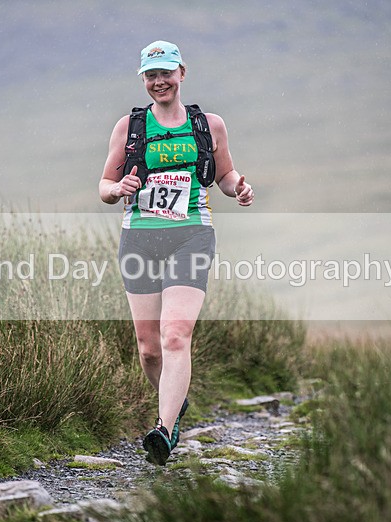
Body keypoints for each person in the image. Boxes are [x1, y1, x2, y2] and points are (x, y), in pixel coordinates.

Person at [98, 40, 254, 466]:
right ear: (144, 80)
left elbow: (224, 175)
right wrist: (119, 189)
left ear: (182, 73)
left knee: (175, 334)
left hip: (191, 234)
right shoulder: (129, 128)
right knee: (149, 348)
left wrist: (239, 186)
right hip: (141, 238)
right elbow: (105, 188)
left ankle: (164, 430)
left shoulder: (209, 125)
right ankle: (175, 401)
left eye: (166, 73)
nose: (159, 82)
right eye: (151, 75)